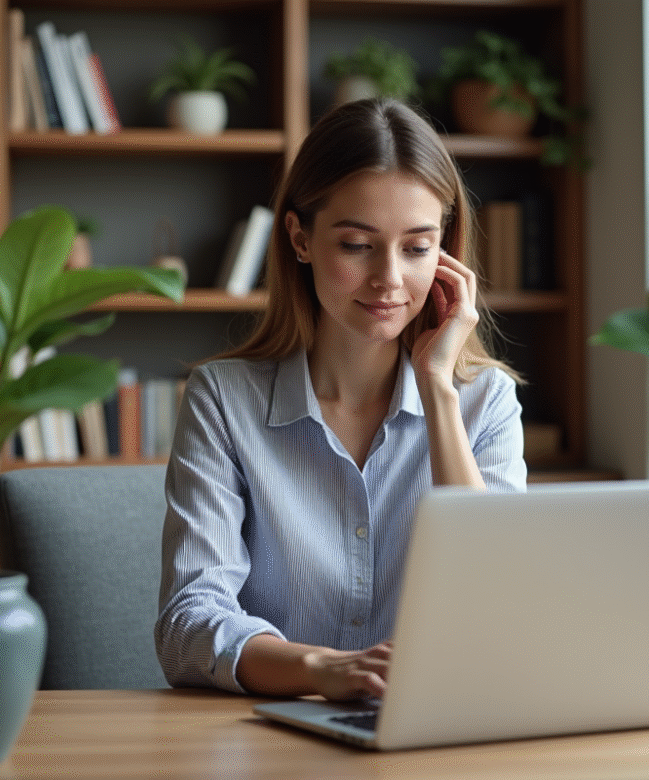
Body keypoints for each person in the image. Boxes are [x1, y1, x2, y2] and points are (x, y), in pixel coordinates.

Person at [154, 97, 527, 701]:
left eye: (417, 247)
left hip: (440, 734)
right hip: (271, 739)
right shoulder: (222, 401)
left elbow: (498, 611)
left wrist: (436, 389)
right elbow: (188, 625)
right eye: (357, 245)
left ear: (446, 253)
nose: (389, 279)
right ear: (300, 238)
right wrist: (321, 670)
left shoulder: (485, 403)